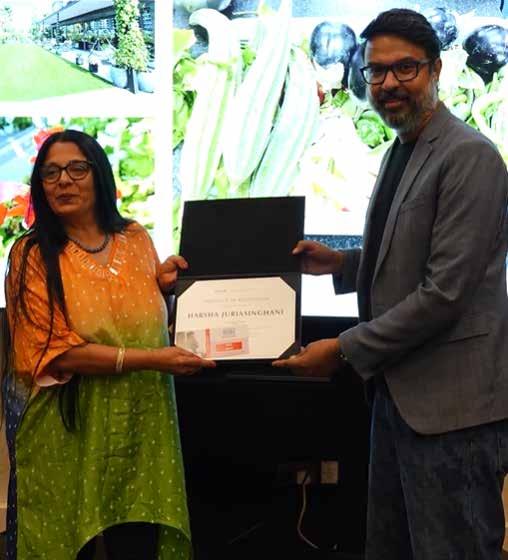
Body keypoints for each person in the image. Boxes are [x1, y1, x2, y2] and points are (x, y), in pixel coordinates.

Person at [274, 8, 508, 560]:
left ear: (436, 69)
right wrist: (341, 264)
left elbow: (444, 293)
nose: (389, 84)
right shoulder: (402, 149)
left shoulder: (469, 155)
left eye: (406, 68)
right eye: (377, 71)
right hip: (398, 398)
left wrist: (342, 350)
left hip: (453, 412)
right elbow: (409, 259)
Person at [3, 129, 216, 560]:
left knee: (137, 541)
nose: (64, 180)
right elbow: (55, 352)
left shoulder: (135, 238)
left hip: (141, 424)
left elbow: (144, 321)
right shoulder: (31, 255)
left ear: (99, 174)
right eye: (51, 173)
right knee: (63, 544)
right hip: (67, 431)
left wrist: (168, 290)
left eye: (76, 168)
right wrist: (153, 359)